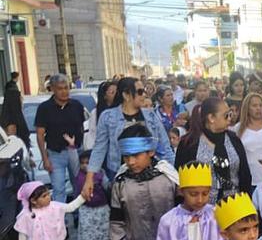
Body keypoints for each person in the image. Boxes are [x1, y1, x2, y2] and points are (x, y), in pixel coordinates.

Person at [84, 76, 174, 194]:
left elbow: (165, 145)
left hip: (151, 175)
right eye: (140, 92)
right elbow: (99, 149)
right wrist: (89, 178)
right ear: (126, 95)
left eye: (144, 91)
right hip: (120, 175)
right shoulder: (108, 117)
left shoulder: (150, 116)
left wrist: (173, 173)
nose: (144, 95)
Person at [177, 98, 251, 203]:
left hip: (234, 207)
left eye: (230, 115)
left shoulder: (233, 139)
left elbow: (245, 175)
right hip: (200, 208)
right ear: (211, 117)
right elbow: (181, 179)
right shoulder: (189, 143)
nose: (230, 118)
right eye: (226, 115)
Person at [34, 74, 85, 207]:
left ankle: (78, 218)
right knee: (59, 189)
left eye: (66, 88)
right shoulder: (44, 108)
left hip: (76, 153)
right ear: (53, 89)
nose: (64, 91)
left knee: (78, 186)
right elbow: (40, 135)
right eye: (60, 88)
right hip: (55, 154)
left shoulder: (77, 106)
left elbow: (81, 128)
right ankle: (59, 223)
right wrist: (45, 159)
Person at [74, 151, 109, 240]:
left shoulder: (100, 174)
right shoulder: (78, 175)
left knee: (102, 228)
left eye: (88, 163)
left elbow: (107, 186)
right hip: (86, 207)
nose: (85, 165)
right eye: (82, 163)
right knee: (88, 229)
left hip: (101, 206)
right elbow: (73, 160)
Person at [84, 81, 117, 150]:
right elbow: (93, 135)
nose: (116, 95)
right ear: (105, 96)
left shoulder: (121, 110)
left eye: (117, 92)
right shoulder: (96, 113)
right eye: (112, 92)